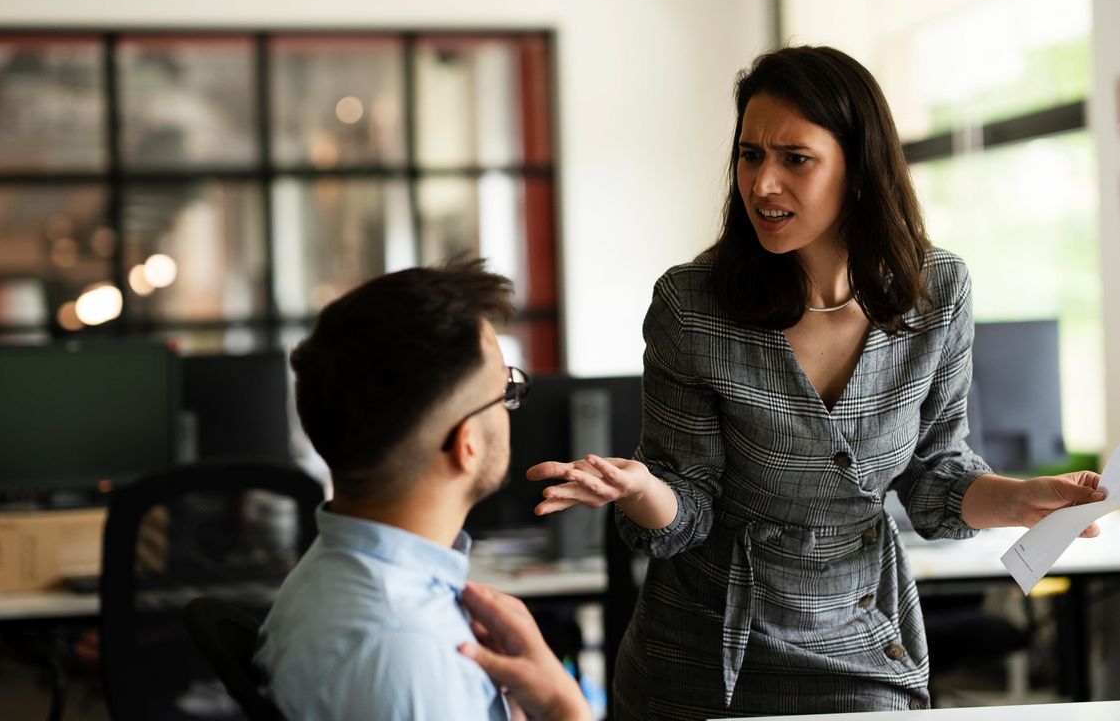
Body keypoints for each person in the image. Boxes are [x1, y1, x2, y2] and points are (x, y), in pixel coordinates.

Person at [527, 45, 1106, 720]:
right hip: (701, 659)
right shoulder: (693, 305)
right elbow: (688, 505)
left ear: (859, 169)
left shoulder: (936, 292)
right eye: (750, 155)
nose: (762, 184)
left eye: (794, 159)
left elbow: (934, 475)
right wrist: (642, 490)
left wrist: (1021, 499)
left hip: (861, 642)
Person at [254, 259, 590, 721]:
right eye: (505, 389)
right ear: (467, 444)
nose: (511, 407)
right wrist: (562, 707)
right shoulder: (409, 653)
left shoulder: (327, 575)